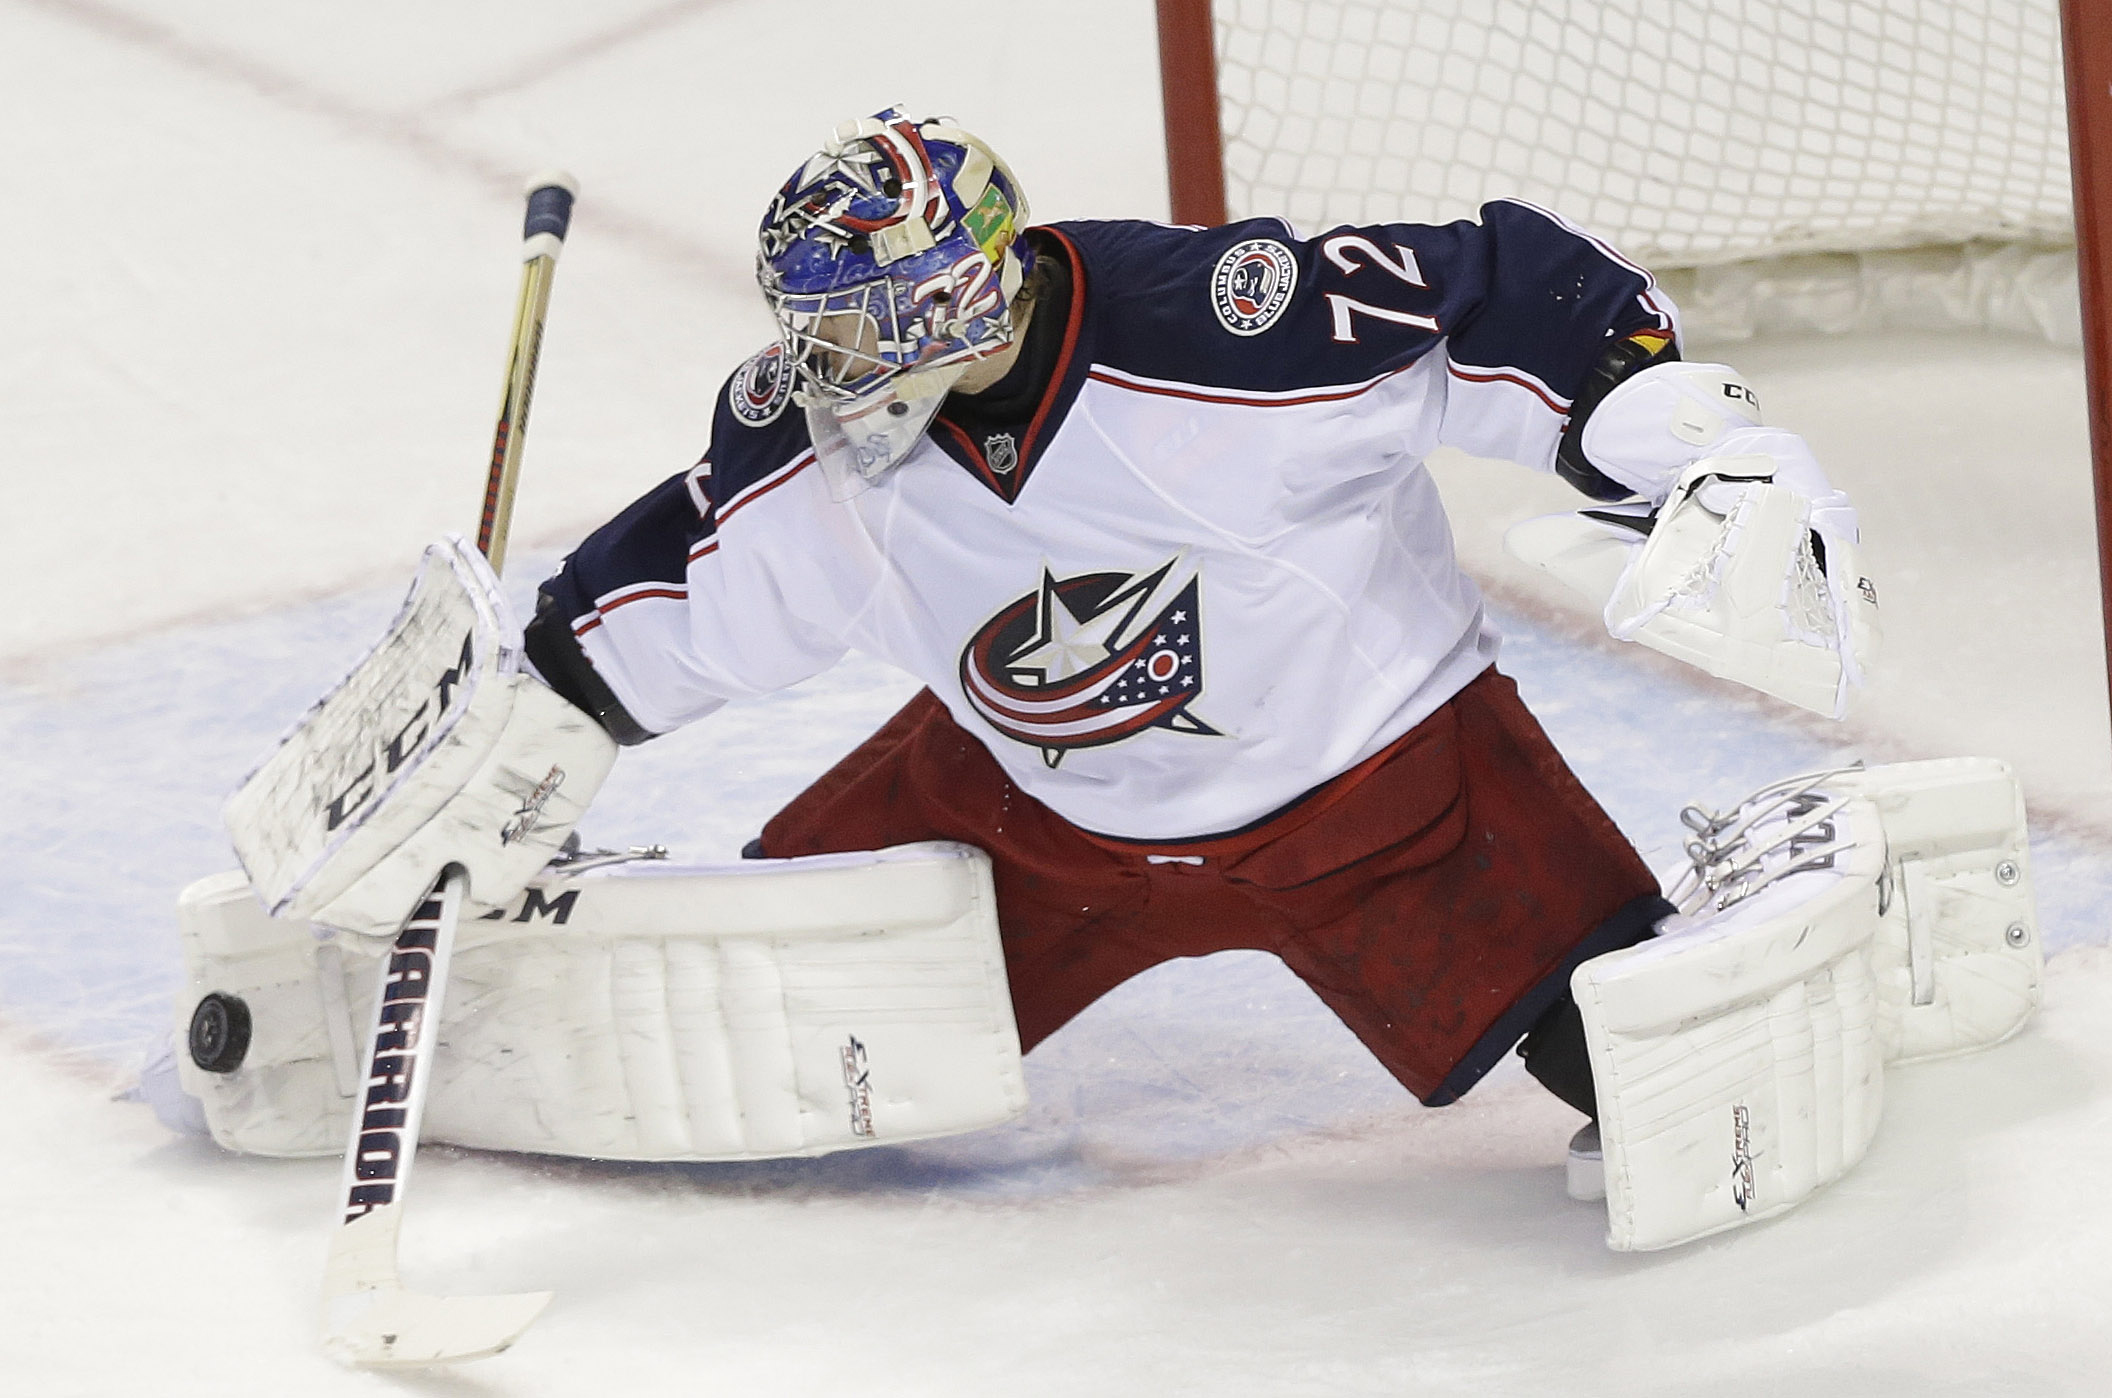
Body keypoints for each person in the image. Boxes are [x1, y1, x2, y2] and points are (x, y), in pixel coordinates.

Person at [519, 109, 1858, 1156]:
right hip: (1022, 817)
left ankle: (1812, 906)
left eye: (857, 327)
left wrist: (1682, 432)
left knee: (1643, 1067)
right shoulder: (818, 448)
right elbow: (684, 582)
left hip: (1384, 801)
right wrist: (517, 723)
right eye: (813, 330)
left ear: (961, 296)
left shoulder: (1223, 326)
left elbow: (1500, 298)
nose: (823, 369)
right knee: (773, 1021)